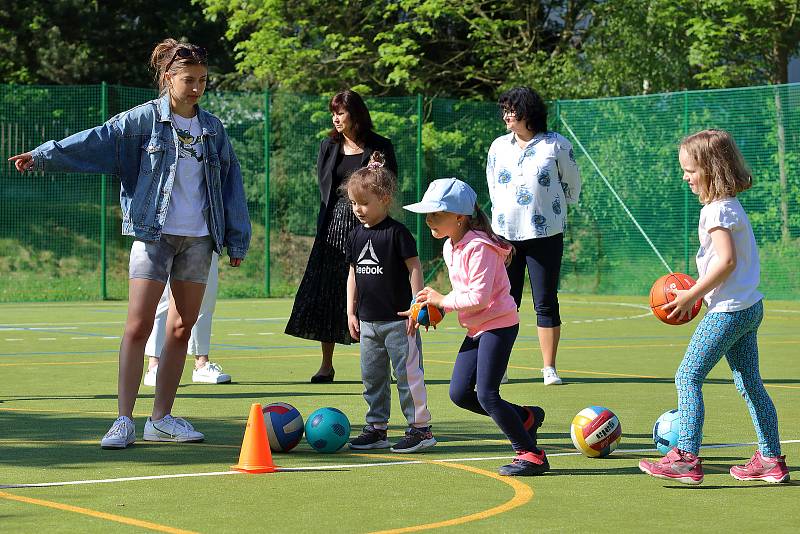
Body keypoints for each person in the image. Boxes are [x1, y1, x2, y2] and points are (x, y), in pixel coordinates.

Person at [8, 39, 251, 449]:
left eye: (203, 81)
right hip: (152, 235)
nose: (196, 88)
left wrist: (236, 239)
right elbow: (97, 140)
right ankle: (123, 419)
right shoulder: (142, 121)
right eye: (188, 80)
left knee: (180, 328)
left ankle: (161, 419)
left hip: (199, 239)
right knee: (138, 326)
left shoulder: (212, 129)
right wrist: (44, 155)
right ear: (167, 78)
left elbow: (231, 184)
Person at [639, 129, 788, 485]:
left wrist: (692, 295)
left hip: (729, 311)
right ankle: (770, 458)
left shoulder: (716, 211)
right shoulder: (731, 206)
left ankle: (686, 457)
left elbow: (727, 262)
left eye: (690, 170)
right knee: (750, 383)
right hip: (749, 307)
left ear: (710, 168)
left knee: (687, 376)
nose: (685, 177)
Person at [403, 178, 547, 476]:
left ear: (459, 217)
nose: (429, 219)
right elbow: (465, 293)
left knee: (487, 394)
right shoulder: (450, 247)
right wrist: (430, 309)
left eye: (436, 213)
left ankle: (531, 454)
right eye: (427, 213)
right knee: (459, 393)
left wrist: (442, 301)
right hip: (477, 328)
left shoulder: (479, 248)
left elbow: (479, 298)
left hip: (499, 325)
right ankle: (525, 418)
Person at [285, 89, 398, 383]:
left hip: (370, 225)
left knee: (375, 286)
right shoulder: (328, 146)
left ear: (355, 114)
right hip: (333, 227)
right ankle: (326, 365)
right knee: (329, 293)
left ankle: (387, 362)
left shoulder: (380, 146)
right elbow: (325, 189)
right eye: (332, 112)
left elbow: (389, 185)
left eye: (341, 112)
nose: (335, 118)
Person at [486, 87, 581, 386]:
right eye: (504, 109)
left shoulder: (556, 145)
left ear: (528, 113)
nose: (506, 115)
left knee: (545, 301)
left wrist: (553, 208)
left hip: (546, 234)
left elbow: (571, 183)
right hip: (505, 236)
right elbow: (492, 185)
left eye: (511, 110)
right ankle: (499, 368)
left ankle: (549, 368)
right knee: (505, 302)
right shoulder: (498, 147)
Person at [343, 153, 436, 453]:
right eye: (354, 203)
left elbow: (415, 268)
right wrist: (350, 311)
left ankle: (421, 429)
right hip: (368, 322)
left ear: (384, 199)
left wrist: (417, 306)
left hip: (400, 322)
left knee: (408, 376)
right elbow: (354, 273)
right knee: (372, 378)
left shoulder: (397, 233)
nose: (358, 209)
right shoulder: (356, 234)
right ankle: (377, 428)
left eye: (364, 203)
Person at [143, 252, 232, 386]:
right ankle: (154, 365)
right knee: (163, 297)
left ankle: (202, 364)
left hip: (205, 236)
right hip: (166, 235)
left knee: (205, 297)